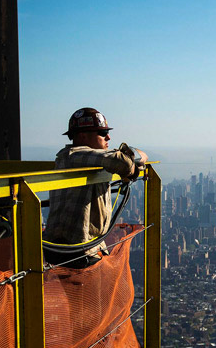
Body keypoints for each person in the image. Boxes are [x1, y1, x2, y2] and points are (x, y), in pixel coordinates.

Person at [43, 108, 147, 268]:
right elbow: (123, 163)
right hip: (78, 252)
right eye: (102, 132)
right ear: (83, 136)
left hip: (75, 249)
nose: (108, 137)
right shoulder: (76, 156)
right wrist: (135, 160)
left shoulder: (87, 159)